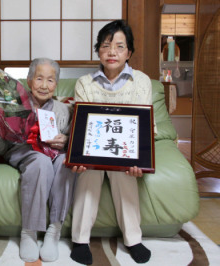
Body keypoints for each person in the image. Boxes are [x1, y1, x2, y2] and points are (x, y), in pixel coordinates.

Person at [70, 20, 154, 265]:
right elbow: (80, 127)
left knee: (126, 172)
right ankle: (80, 240)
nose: (112, 52)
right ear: (98, 50)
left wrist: (140, 159)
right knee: (88, 172)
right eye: (106, 46)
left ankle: (133, 240)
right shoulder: (85, 83)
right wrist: (79, 157)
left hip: (125, 152)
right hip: (94, 150)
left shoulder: (141, 81)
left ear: (129, 52)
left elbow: (145, 127)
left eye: (119, 46)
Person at [0, 58, 76, 262]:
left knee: (65, 163)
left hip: (55, 154)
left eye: (50, 80)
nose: (44, 85)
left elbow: (73, 142)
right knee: (40, 161)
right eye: (39, 78)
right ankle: (29, 232)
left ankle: (54, 230)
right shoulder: (12, 105)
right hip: (24, 153)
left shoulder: (63, 110)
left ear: (57, 84)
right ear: (29, 81)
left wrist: (66, 141)